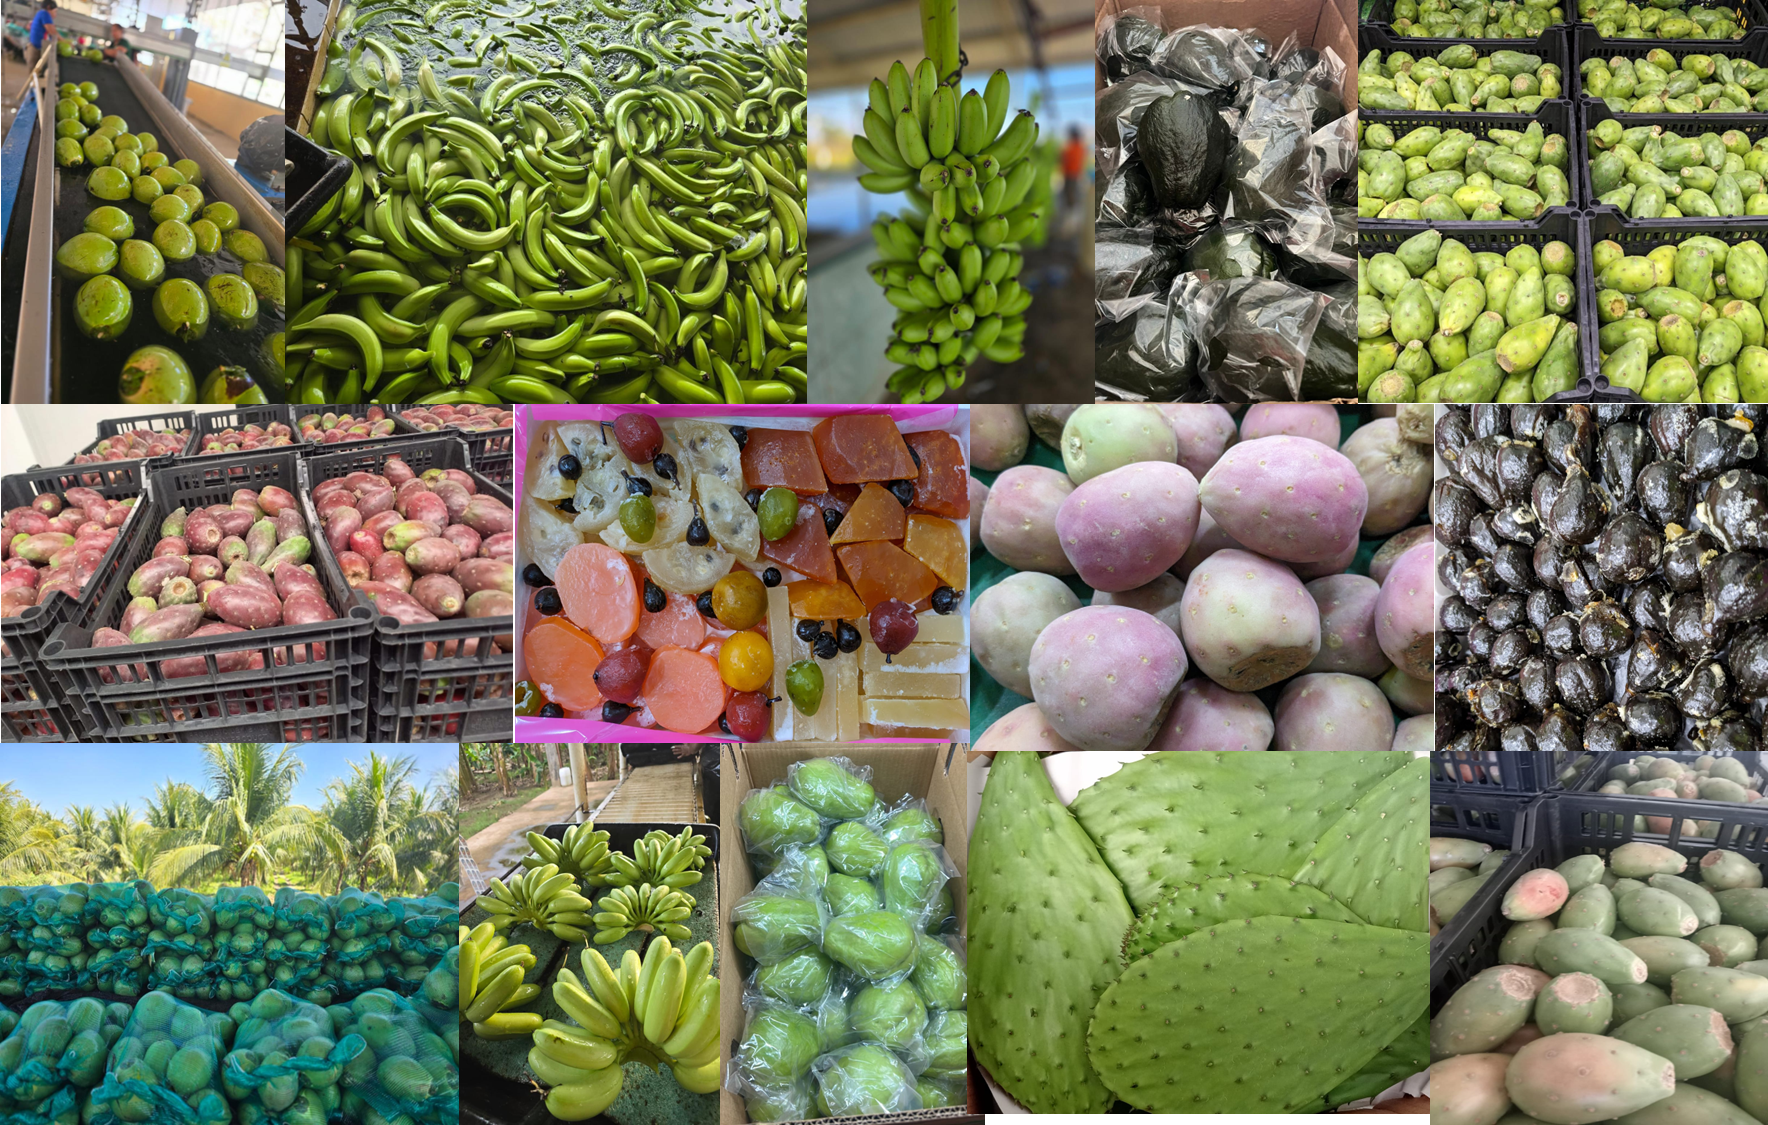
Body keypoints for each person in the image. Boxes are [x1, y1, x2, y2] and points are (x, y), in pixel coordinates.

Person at [24, 1, 56, 77]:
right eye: (55, 11)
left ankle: (32, 88)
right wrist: (65, 41)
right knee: (34, 74)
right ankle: (32, 88)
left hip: (35, 47)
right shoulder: (45, 13)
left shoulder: (40, 13)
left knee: (34, 73)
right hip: (35, 48)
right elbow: (52, 31)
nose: (55, 14)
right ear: (49, 7)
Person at [1061, 124, 1087, 214]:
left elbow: (1067, 158)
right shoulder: (1077, 147)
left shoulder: (1076, 147)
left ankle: (1071, 210)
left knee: (1070, 192)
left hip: (1072, 173)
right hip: (1071, 173)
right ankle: (1071, 209)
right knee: (1069, 192)